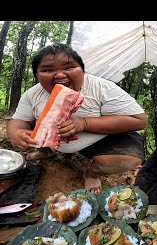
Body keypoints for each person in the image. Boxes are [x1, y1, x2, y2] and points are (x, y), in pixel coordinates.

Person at [6, 43, 147, 195]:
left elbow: (139, 120)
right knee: (37, 118)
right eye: (47, 70)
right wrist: (16, 133)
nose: (60, 75)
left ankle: (92, 173)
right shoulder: (33, 94)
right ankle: (46, 151)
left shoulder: (103, 88)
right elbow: (19, 120)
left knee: (128, 157)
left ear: (82, 71)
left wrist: (84, 123)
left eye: (69, 67)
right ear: (37, 75)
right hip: (48, 137)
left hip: (98, 139)